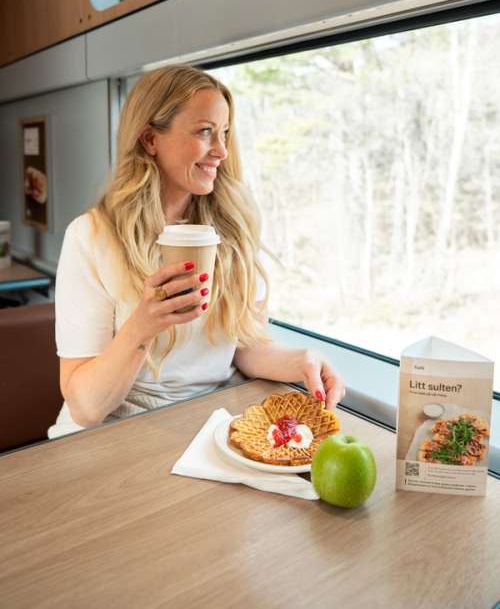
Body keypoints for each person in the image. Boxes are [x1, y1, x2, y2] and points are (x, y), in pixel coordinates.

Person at [48, 65, 345, 438]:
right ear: (150, 139)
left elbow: (241, 348)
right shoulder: (91, 237)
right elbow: (87, 408)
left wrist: (302, 361)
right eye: (205, 132)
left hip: (207, 420)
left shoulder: (232, 226)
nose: (221, 151)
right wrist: (143, 325)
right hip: (116, 428)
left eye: (224, 133)